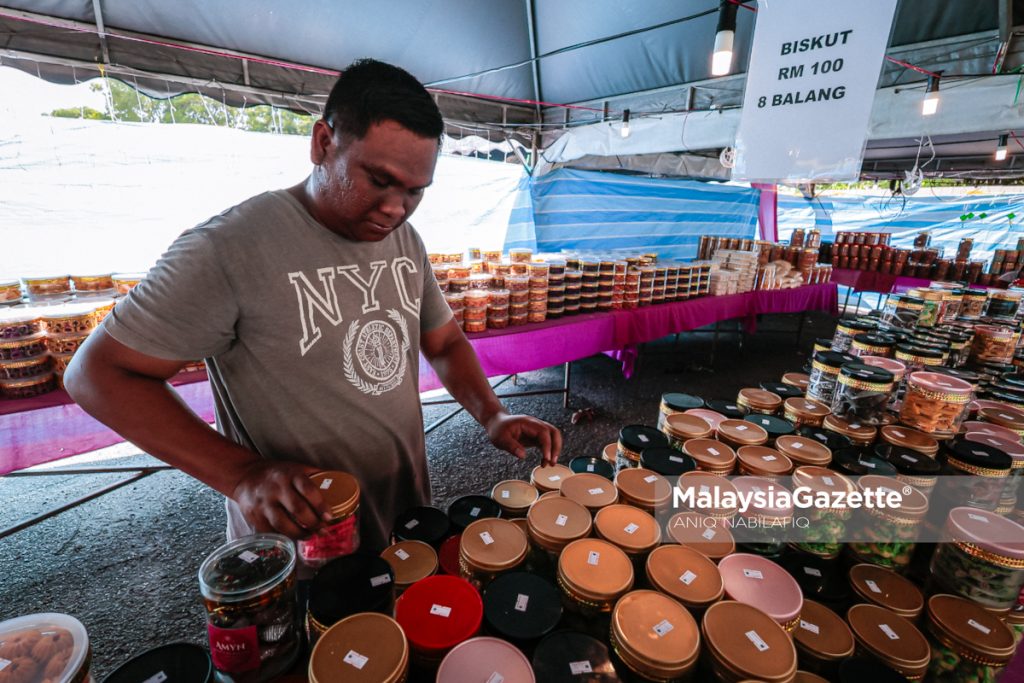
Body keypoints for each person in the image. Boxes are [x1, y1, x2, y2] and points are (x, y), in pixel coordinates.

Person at [65, 58, 562, 553]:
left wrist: (492, 414)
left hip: (404, 514)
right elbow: (96, 375)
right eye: (379, 180)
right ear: (322, 143)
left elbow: (445, 340)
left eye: (415, 191)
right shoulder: (229, 247)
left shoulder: (403, 239)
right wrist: (244, 476)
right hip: (299, 538)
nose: (395, 208)